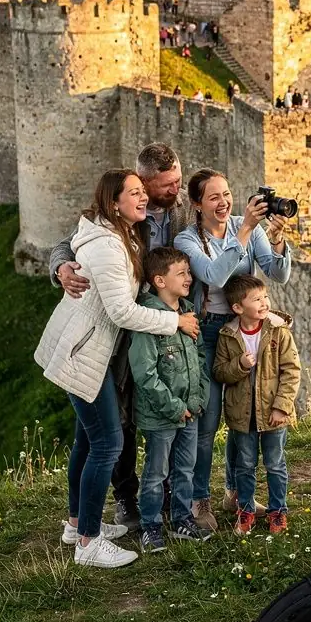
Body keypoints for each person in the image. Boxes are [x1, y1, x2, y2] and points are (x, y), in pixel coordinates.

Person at [35, 170, 196, 569]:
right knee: (108, 442)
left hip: (89, 350)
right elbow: (121, 311)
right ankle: (88, 542)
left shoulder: (115, 232)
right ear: (114, 203)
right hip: (85, 352)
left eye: (145, 192)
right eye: (136, 192)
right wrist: (175, 322)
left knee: (88, 442)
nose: (144, 198)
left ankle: (77, 525)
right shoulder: (108, 245)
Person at [175, 170, 292, 534]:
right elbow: (213, 276)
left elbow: (277, 274)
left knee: (244, 416)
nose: (223, 202)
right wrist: (243, 232)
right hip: (208, 333)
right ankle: (199, 499)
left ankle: (233, 493)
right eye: (213, 197)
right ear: (197, 204)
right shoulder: (187, 239)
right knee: (207, 422)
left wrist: (275, 243)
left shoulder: (248, 226)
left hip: (246, 331)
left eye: (226, 194)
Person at [128, 247, 211, 553]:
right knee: (155, 473)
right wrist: (174, 407)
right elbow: (145, 373)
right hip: (163, 414)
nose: (189, 278)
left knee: (185, 469)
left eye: (189, 272)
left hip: (191, 409)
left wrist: (198, 397)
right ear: (160, 281)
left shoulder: (187, 312)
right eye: (182, 273)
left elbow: (200, 357)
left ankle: (181, 520)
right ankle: (150, 526)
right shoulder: (149, 320)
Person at [214, 275, 302, 537]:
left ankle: (278, 511)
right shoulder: (228, 335)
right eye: (256, 299)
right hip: (242, 416)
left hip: (274, 414)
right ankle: (246, 510)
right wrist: (239, 365)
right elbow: (220, 372)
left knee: (275, 464)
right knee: (245, 465)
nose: (264, 302)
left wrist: (281, 407)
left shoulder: (278, 331)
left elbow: (291, 371)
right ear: (238, 308)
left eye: (265, 296)